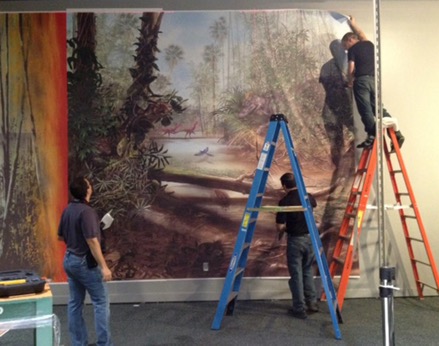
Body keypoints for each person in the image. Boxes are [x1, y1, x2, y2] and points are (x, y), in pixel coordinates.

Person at [58, 176, 112, 346]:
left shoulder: (68, 210)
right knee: (101, 302)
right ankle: (105, 343)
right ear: (87, 190)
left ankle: (78, 342)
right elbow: (92, 241)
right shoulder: (87, 211)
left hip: (69, 260)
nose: (91, 186)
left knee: (75, 303)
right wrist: (104, 267)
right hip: (83, 263)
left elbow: (60, 236)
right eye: (89, 184)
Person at [342, 16, 405, 150]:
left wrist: (350, 81)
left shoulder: (353, 50)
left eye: (345, 46)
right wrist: (353, 24)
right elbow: (361, 34)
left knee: (365, 110)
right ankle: (397, 134)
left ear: (350, 40)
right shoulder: (368, 44)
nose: (346, 49)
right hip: (373, 80)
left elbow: (351, 68)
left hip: (362, 82)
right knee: (379, 109)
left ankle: (372, 136)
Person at [276, 172, 319, 319]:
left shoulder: (284, 202)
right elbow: (314, 205)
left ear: (284, 186)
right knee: (307, 271)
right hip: (310, 239)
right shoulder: (308, 197)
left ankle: (299, 308)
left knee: (296, 274)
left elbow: (280, 226)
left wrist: (283, 231)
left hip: (295, 241)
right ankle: (312, 303)